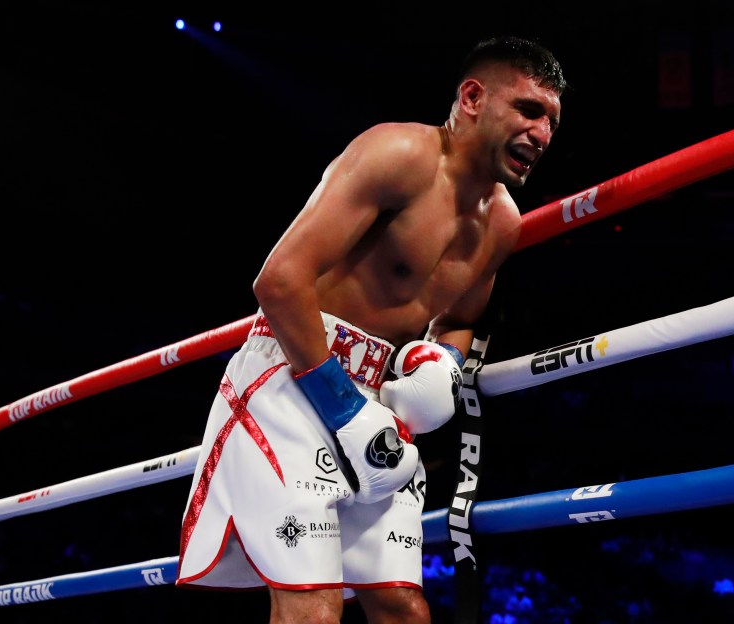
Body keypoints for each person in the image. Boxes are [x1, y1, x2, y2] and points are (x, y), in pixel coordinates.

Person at [176, 35, 567, 623]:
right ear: (472, 97)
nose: (542, 134)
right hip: (294, 377)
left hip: (379, 403)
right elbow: (279, 283)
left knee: (403, 608)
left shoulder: (503, 224)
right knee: (312, 606)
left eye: (553, 122)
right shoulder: (398, 154)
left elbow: (459, 319)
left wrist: (441, 366)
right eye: (529, 110)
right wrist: (343, 409)